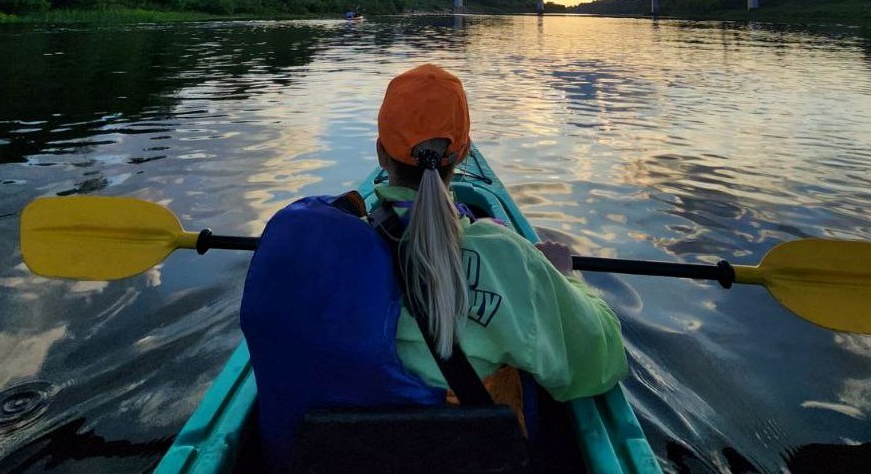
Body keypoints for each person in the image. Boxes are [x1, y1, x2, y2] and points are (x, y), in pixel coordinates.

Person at [241, 64, 628, 471]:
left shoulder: (312, 259)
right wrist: (564, 278)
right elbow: (601, 362)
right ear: (461, 155)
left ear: (380, 153)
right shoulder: (506, 259)